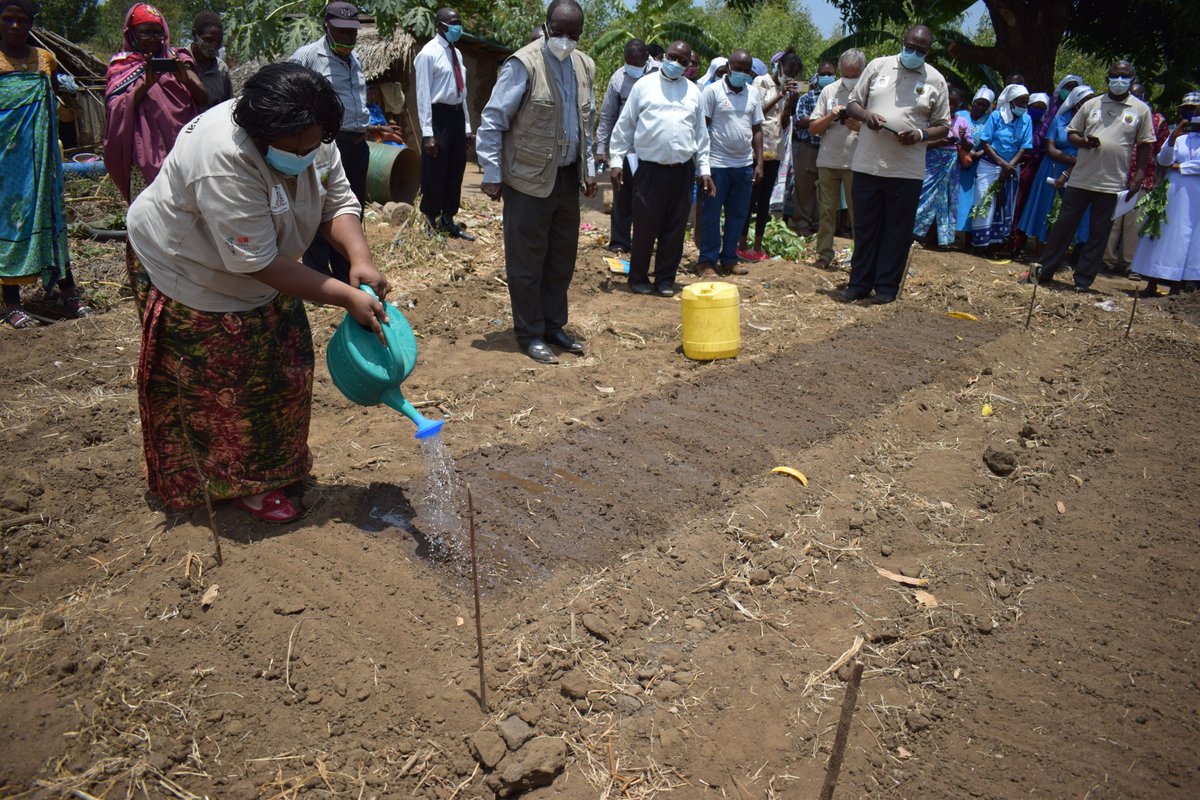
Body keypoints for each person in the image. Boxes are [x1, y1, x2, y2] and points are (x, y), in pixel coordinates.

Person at [125, 62, 391, 521]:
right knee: (222, 391)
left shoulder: (311, 133)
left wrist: (360, 257)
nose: (306, 154)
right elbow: (258, 262)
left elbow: (337, 199)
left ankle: (275, 466)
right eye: (294, 149)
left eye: (315, 144)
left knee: (283, 371)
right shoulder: (222, 160)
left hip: (270, 265)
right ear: (260, 133)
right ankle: (236, 484)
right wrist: (346, 296)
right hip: (194, 270)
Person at [476, 0, 596, 365]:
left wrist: (588, 170)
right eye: (557, 32)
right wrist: (493, 174)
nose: (564, 40)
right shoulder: (523, 64)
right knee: (527, 263)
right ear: (545, 27)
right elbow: (493, 120)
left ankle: (553, 326)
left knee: (561, 259)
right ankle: (529, 333)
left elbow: (584, 124)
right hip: (526, 181)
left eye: (572, 35)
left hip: (566, 178)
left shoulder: (584, 65)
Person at [1, 0, 92, 328]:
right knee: (10, 223)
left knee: (53, 220)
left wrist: (67, 90)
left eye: (21, 20)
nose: (14, 26)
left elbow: (62, 107)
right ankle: (11, 302)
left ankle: (68, 292)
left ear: (31, 24)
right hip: (6, 163)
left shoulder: (45, 60)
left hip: (43, 161)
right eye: (8, 19)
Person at [843, 25, 950, 303]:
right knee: (866, 229)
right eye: (910, 46)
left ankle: (887, 288)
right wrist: (866, 116)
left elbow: (944, 127)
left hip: (906, 170)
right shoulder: (878, 66)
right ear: (903, 41)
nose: (913, 52)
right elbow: (852, 103)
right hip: (868, 165)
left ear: (928, 51)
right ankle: (858, 284)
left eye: (920, 50)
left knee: (896, 232)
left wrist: (920, 135)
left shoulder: (935, 80)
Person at [1032, 61, 1155, 292]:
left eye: (1125, 76)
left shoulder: (1140, 109)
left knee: (1099, 235)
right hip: (1080, 179)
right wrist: (1084, 141)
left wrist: (1138, 176)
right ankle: (1043, 272)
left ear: (1131, 79)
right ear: (1108, 78)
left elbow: (1146, 144)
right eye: (1115, 76)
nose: (1119, 80)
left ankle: (1082, 281)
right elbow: (1071, 134)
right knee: (1062, 228)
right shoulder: (1092, 104)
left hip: (1112, 183)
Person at [609, 40, 715, 297]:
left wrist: (705, 170)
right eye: (672, 56)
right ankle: (638, 278)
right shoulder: (644, 86)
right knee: (645, 226)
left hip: (682, 171)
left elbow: (701, 136)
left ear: (689, 65)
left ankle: (666, 279)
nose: (676, 63)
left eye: (683, 60)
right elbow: (625, 126)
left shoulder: (694, 92)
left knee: (675, 227)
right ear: (663, 56)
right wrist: (615, 161)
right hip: (649, 170)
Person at [289, 2, 373, 282]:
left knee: (351, 207)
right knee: (321, 207)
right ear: (327, 26)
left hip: (358, 144)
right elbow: (287, 89)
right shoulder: (308, 56)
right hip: (328, 145)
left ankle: (345, 269)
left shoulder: (356, 58)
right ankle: (315, 270)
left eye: (352, 32)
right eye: (341, 31)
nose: (348, 37)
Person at [104, 2, 206, 203]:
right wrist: (145, 85)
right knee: (149, 209)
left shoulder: (178, 58)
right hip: (143, 155)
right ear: (132, 33)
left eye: (158, 33)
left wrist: (184, 77)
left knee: (185, 207)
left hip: (181, 149)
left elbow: (203, 96)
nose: (153, 39)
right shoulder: (121, 65)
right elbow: (115, 108)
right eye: (145, 33)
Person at [695, 49, 762, 278]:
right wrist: (702, 164)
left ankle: (729, 259)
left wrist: (759, 162)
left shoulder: (753, 93)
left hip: (743, 165)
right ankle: (707, 260)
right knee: (711, 214)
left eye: (747, 70)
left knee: (738, 214)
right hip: (717, 164)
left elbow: (757, 128)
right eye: (738, 69)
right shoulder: (712, 92)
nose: (742, 74)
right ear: (729, 67)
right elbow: (702, 129)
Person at [412, 7, 474, 240]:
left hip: (457, 115)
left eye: (459, 21)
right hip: (438, 117)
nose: (458, 26)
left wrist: (467, 126)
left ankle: (448, 219)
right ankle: (430, 221)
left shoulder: (457, 54)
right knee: (434, 172)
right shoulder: (428, 54)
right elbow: (423, 95)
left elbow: (462, 93)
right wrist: (428, 133)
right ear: (440, 26)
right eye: (453, 23)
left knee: (455, 169)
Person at [1130, 92, 1200, 296]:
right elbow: (1163, 159)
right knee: (1164, 234)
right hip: (1173, 192)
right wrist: (1172, 139)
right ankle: (1152, 281)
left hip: (1195, 195)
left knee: (1187, 237)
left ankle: (1176, 286)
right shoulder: (1181, 139)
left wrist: (1181, 166)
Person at [738, 48, 802, 262]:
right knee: (750, 198)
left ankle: (758, 245)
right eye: (789, 71)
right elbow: (757, 112)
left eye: (795, 75)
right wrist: (780, 95)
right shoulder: (761, 83)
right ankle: (742, 243)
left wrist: (791, 101)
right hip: (756, 148)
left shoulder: (787, 89)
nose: (790, 77)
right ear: (780, 66)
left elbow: (783, 123)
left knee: (764, 200)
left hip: (774, 149)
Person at [1017, 85, 1095, 251]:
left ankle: (1062, 251)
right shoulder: (1059, 120)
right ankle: (1040, 247)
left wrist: (1070, 170)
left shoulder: (1093, 125)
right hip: (1052, 168)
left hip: (1078, 172)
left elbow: (1092, 152)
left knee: (1067, 212)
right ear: (1076, 103)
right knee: (1046, 207)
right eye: (1085, 101)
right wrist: (1072, 161)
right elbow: (1050, 149)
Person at [1104, 82, 1169, 273]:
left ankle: (1129, 264)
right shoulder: (1120, 114)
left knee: (1134, 224)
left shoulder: (1157, 121)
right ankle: (1106, 260)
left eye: (1139, 95)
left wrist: (1158, 181)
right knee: (1112, 222)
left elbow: (1162, 153)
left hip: (1144, 180)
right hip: (1117, 177)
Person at [807, 48, 864, 268]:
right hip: (828, 160)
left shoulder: (868, 92)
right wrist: (831, 115)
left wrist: (860, 127)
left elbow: (878, 127)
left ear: (862, 71)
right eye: (846, 75)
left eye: (853, 75)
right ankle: (824, 254)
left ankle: (860, 257)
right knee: (826, 211)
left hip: (857, 162)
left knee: (857, 213)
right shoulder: (829, 91)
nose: (849, 80)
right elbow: (813, 128)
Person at [594, 38, 650, 254]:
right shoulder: (618, 78)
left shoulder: (659, 75)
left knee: (648, 201)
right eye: (628, 61)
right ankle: (620, 241)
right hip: (627, 151)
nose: (632, 66)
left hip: (652, 152)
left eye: (637, 62)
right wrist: (602, 150)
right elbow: (607, 116)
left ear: (646, 57)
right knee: (623, 198)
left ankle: (644, 242)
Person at [970, 84, 1032, 253]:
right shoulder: (996, 116)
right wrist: (1001, 163)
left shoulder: (1027, 120)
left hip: (1012, 168)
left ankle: (997, 243)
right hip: (990, 165)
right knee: (984, 202)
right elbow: (986, 141)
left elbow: (1024, 146)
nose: (1023, 105)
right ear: (1011, 101)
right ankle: (980, 244)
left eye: (1026, 102)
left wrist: (1010, 165)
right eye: (1020, 101)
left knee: (1004, 205)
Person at [913, 86, 968, 248]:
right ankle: (914, 232)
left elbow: (969, 147)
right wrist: (940, 142)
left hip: (951, 166)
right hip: (931, 163)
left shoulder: (962, 122)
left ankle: (942, 239)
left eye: (955, 104)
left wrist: (962, 139)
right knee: (924, 196)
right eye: (949, 103)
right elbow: (922, 142)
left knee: (946, 200)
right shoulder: (932, 120)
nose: (951, 107)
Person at [790, 60, 835, 235]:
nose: (826, 77)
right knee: (804, 187)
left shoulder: (838, 95)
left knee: (826, 189)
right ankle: (801, 223)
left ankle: (820, 225)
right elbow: (800, 121)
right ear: (817, 76)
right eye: (822, 74)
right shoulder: (807, 97)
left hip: (829, 148)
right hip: (809, 147)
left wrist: (817, 119)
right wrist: (827, 118)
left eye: (829, 74)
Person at [956, 86, 994, 233]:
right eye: (978, 103)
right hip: (956, 161)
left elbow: (991, 141)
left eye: (984, 105)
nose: (980, 107)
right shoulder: (961, 115)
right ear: (973, 102)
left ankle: (966, 233)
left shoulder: (989, 121)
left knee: (968, 200)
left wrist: (977, 154)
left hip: (975, 165)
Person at [185, 11, 231, 111]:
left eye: (219, 41)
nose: (214, 45)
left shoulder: (222, 69)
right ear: (194, 34)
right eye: (209, 40)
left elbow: (226, 107)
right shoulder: (179, 62)